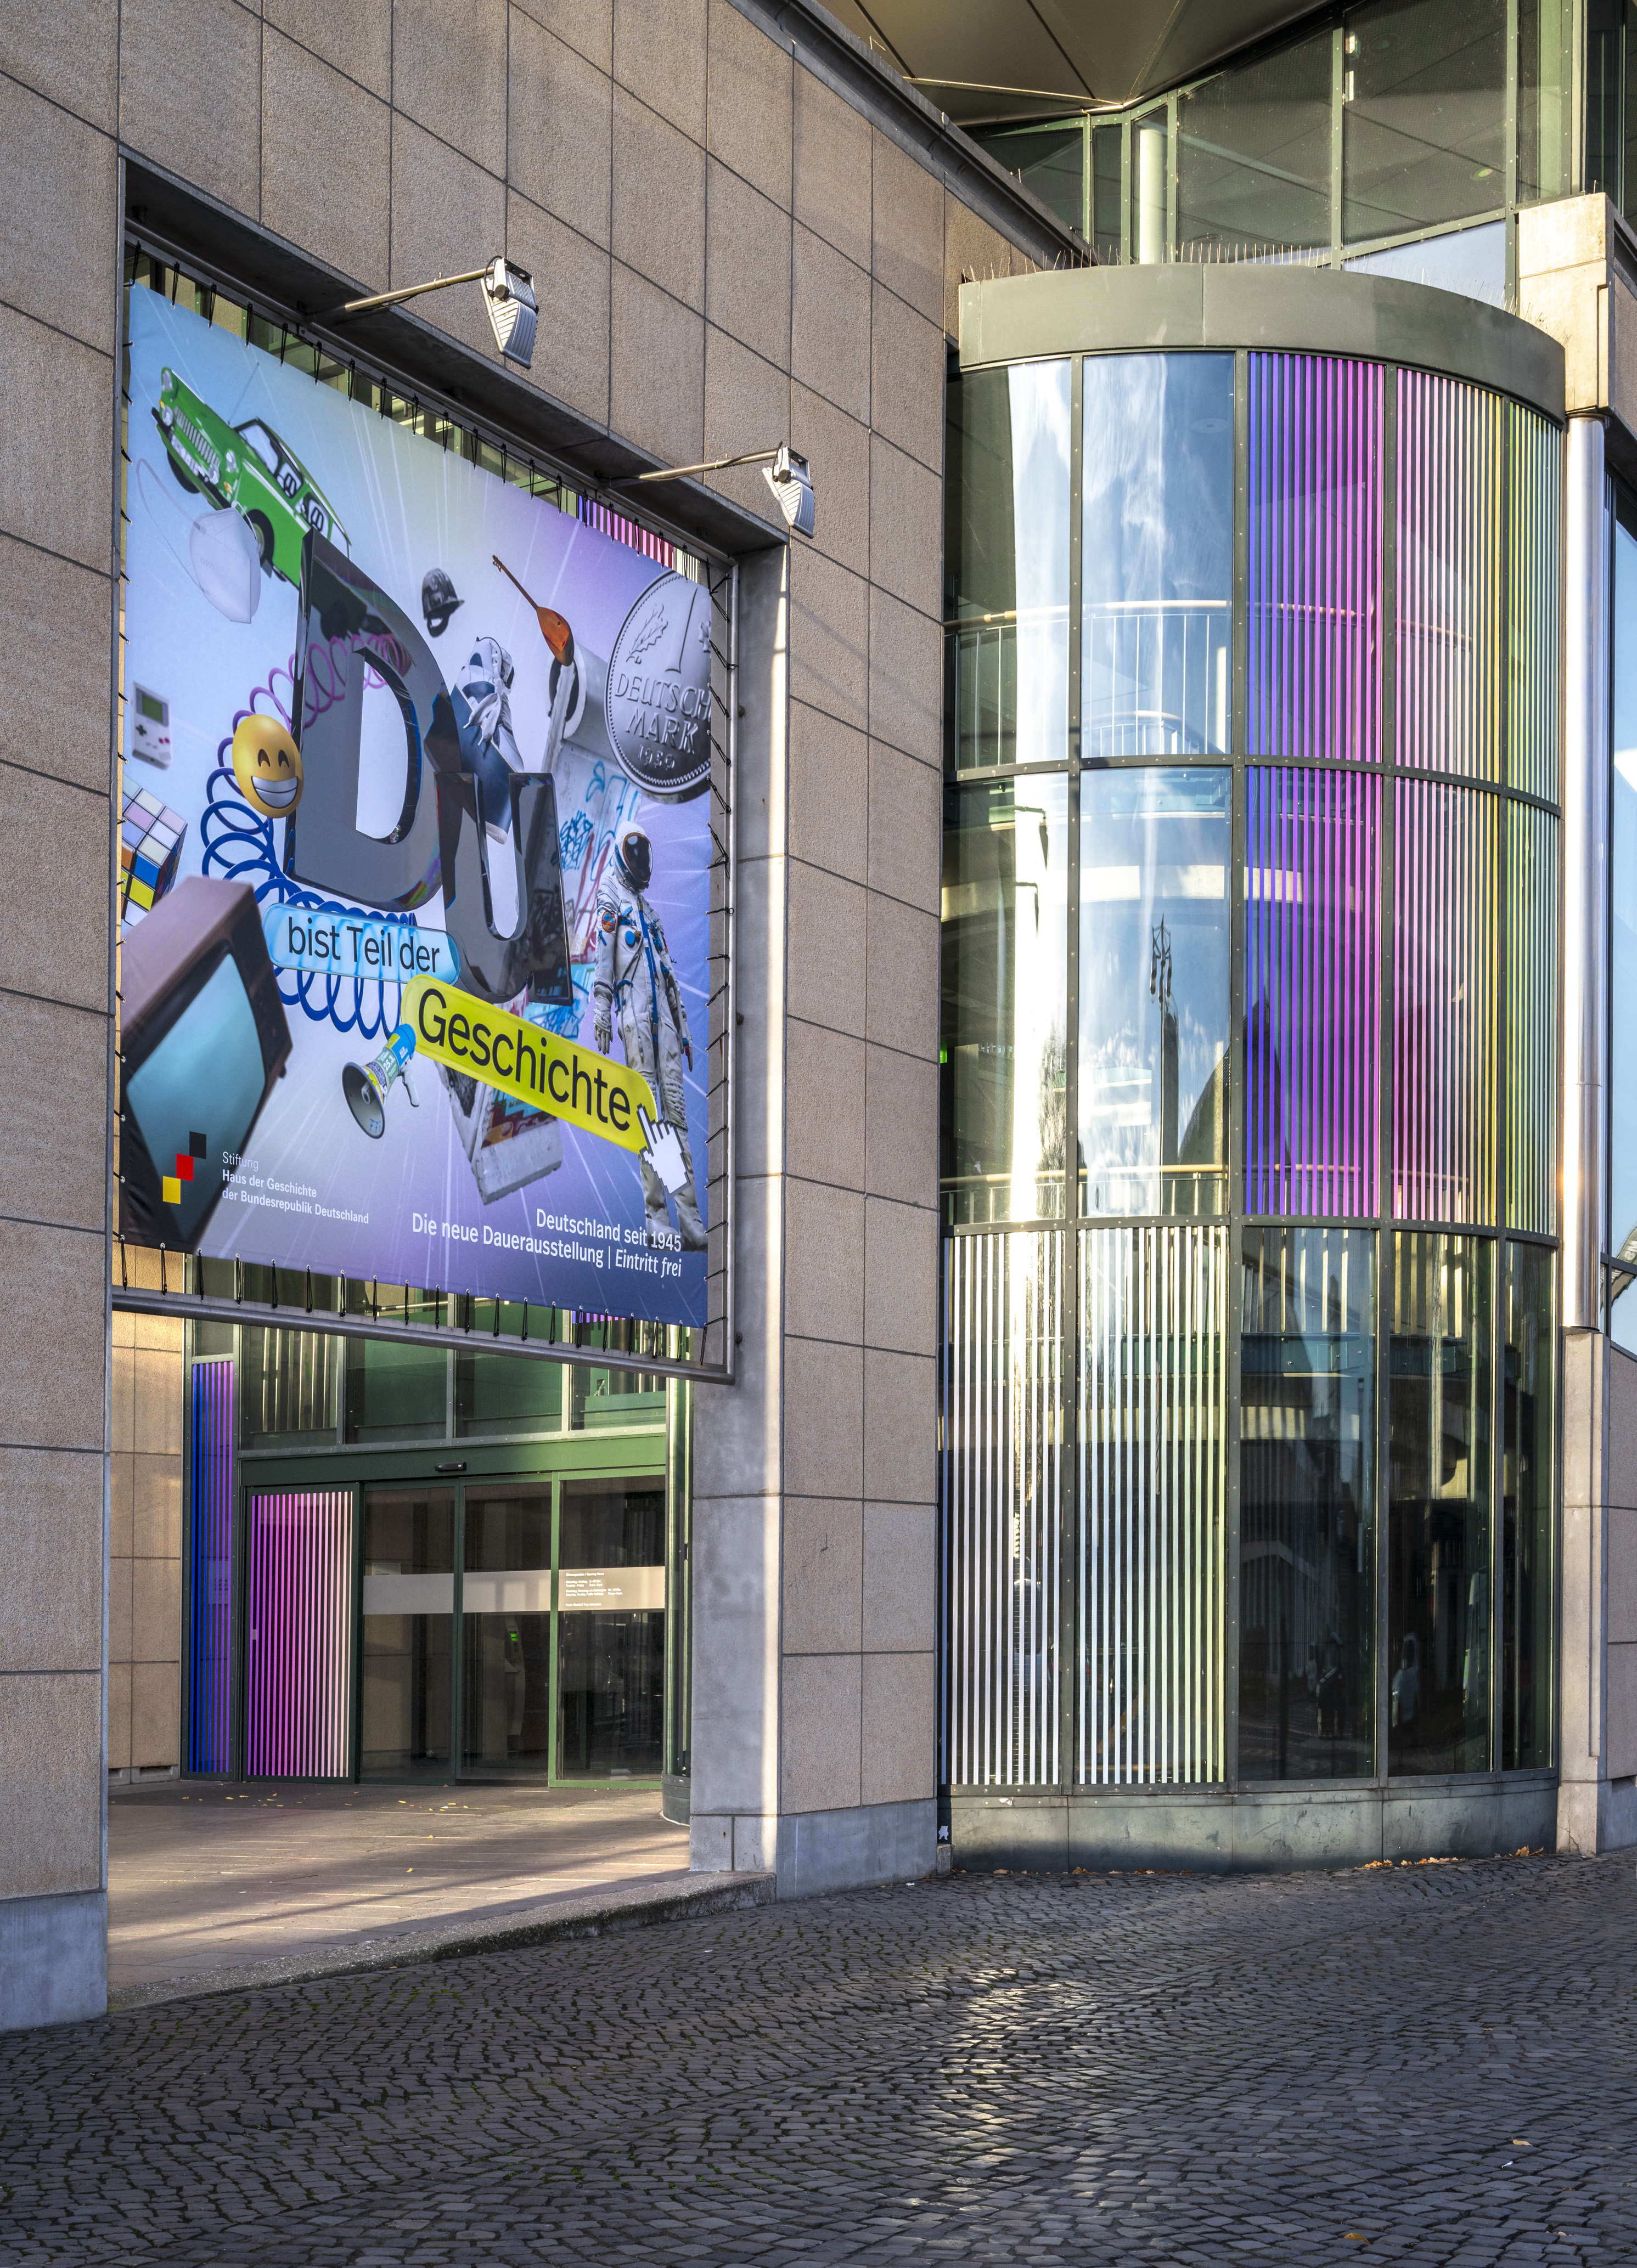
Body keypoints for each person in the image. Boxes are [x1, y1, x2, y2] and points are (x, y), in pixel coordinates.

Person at [593, 822, 705, 1250]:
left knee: (674, 1118)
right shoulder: (612, 899)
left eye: (644, 853)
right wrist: (602, 1005)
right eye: (634, 852)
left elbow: (670, 978)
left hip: (667, 1031)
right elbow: (605, 953)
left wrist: (686, 1031)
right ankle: (657, 1217)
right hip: (636, 1020)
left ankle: (689, 1219)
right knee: (651, 1120)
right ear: (622, 853)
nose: (641, 861)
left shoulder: (649, 914)